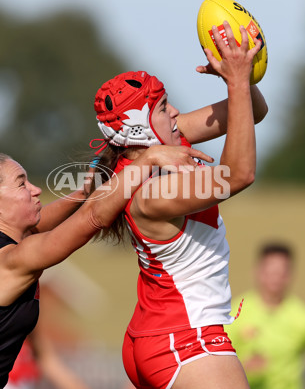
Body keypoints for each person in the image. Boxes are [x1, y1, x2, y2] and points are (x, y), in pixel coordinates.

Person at [0, 143, 212, 388]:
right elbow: (92, 218)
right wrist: (147, 161)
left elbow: (51, 217)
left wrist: (88, 188)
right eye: (21, 184)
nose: (35, 189)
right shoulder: (14, 258)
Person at [88, 22, 268, 389]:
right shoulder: (152, 193)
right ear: (139, 129)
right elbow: (239, 175)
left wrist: (236, 74)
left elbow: (254, 110)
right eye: (162, 107)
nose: (174, 112)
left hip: (160, 335)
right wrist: (236, 83)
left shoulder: (155, 147)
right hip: (184, 338)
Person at [224, 242, 305, 389]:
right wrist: (243, 368)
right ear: (257, 272)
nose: (275, 278)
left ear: (290, 275)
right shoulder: (234, 313)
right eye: (270, 272)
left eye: (281, 273)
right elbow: (217, 360)